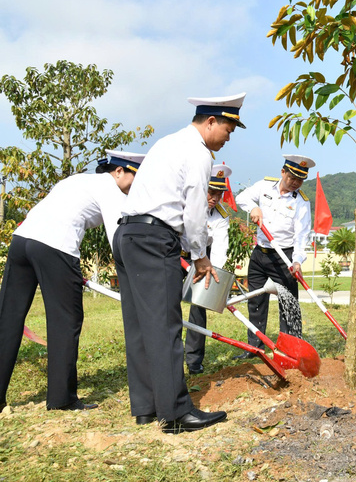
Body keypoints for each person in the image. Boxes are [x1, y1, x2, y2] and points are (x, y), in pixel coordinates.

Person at [114, 92, 246, 433]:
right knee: (166, 326)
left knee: (140, 327)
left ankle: (146, 407)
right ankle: (176, 413)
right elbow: (194, 211)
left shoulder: (166, 143)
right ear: (211, 121)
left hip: (128, 235)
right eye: (229, 127)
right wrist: (200, 256)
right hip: (155, 238)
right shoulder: (198, 153)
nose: (230, 136)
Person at [0, 150, 145, 412]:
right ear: (119, 171)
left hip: (22, 240)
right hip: (55, 246)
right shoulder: (110, 189)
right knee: (65, 321)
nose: (135, 184)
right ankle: (61, 398)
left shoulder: (77, 180)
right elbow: (118, 238)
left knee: (8, 318)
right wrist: (135, 276)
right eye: (135, 176)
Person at [234, 155, 313, 357]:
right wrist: (254, 207)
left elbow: (301, 235)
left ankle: (291, 348)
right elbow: (241, 198)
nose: (295, 182)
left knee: (289, 304)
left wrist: (297, 260)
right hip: (260, 253)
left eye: (300, 179)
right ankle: (255, 346)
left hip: (284, 256)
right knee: (256, 302)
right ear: (283, 172)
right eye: (292, 177)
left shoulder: (301, 202)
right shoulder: (264, 186)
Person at [184, 164, 233, 375]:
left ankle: (194, 360)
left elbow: (220, 248)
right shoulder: (185, 204)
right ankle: (170, 357)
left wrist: (215, 275)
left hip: (202, 261)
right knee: (168, 307)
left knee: (198, 306)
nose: (214, 197)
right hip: (177, 257)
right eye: (210, 192)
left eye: (219, 194)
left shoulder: (221, 215)